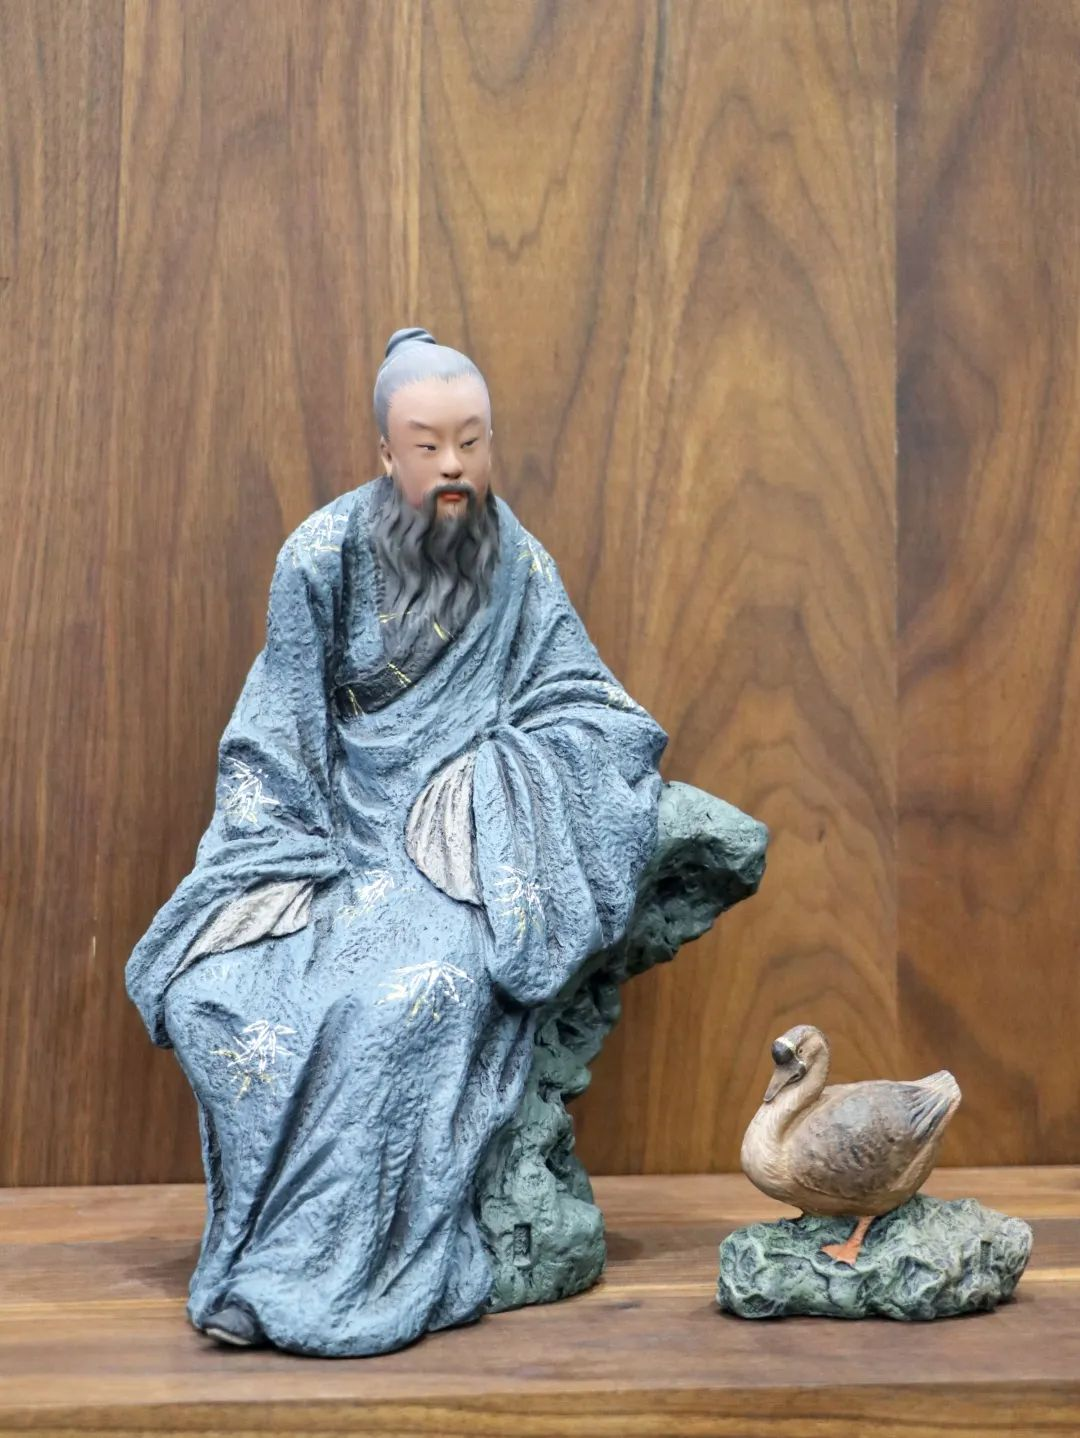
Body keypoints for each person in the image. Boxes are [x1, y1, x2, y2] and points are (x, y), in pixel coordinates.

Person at [125, 327, 668, 1356]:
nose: (453, 465)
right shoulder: (318, 556)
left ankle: (328, 1276)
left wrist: (495, 786)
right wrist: (280, 858)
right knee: (221, 993)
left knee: (404, 1001)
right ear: (385, 452)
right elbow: (277, 728)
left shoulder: (520, 565)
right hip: (334, 841)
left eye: (472, 441)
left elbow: (587, 706)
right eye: (427, 445)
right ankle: (258, 1256)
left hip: (463, 853)